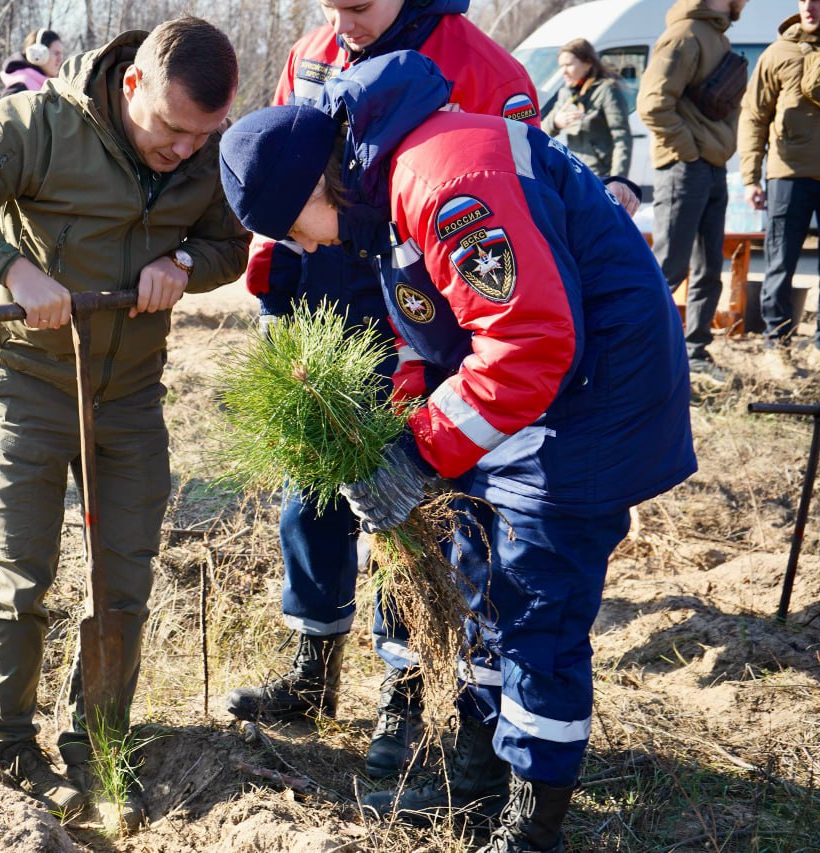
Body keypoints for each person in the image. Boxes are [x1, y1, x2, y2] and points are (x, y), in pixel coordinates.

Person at [219, 50, 696, 852]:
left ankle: (532, 819)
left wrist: (419, 454)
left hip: (590, 398)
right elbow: (433, 334)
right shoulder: (385, 190)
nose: (309, 247)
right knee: (478, 575)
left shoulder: (445, 181)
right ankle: (473, 774)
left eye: (296, 230)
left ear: (310, 189)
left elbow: (530, 341)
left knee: (535, 599)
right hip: (536, 390)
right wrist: (402, 427)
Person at [0, 15, 247, 827]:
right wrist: (12, 267)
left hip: (131, 394)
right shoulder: (38, 123)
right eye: (172, 129)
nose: (186, 150)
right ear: (132, 87)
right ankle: (9, 741)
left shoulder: (205, 150)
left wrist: (184, 263)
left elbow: (231, 245)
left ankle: (98, 742)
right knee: (24, 577)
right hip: (29, 383)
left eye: (205, 136)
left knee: (125, 578)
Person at [226, 0, 550, 785]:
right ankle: (312, 666)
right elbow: (277, 173)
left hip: (416, 323)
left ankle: (402, 694)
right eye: (333, 6)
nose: (347, 21)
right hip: (321, 309)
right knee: (313, 497)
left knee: (409, 510)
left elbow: (513, 213)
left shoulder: (484, 70)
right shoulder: (308, 53)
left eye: (361, 6)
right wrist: (276, 286)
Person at [638, 0, 751, 376]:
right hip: (685, 167)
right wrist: (688, 153)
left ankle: (696, 353)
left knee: (708, 268)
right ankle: (637, 354)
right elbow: (652, 103)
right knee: (668, 267)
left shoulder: (716, 37)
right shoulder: (684, 35)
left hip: (711, 166)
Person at [740, 0, 820, 370]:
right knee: (780, 260)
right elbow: (754, 116)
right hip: (787, 173)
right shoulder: (778, 53)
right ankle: (776, 343)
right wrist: (749, 176)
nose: (810, 7)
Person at [542, 38, 633, 180]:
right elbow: (541, 131)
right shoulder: (566, 93)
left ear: (587, 63)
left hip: (602, 175)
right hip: (575, 172)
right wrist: (556, 122)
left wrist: (618, 180)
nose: (563, 72)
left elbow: (621, 136)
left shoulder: (606, 90)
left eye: (568, 65)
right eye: (561, 66)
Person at [0, 28, 65, 97]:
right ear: (38, 53)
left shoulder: (42, 85)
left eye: (61, 54)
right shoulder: (19, 88)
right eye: (56, 53)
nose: (60, 59)